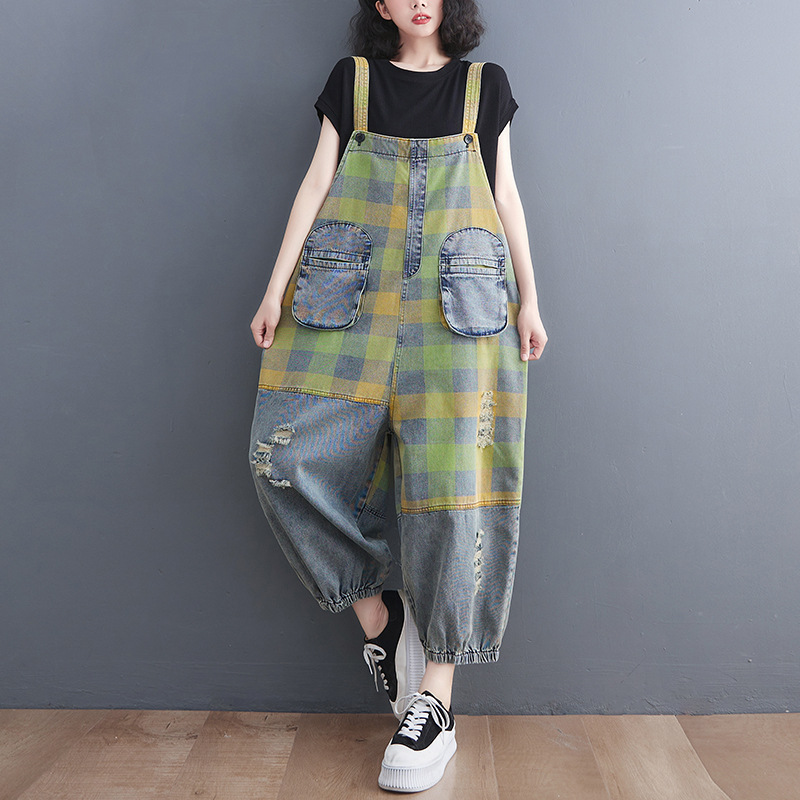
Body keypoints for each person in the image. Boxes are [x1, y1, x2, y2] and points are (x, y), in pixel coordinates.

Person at [248, 0, 547, 791]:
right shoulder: (353, 83)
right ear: (380, 5)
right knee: (282, 462)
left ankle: (436, 701)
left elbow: (506, 195)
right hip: (345, 296)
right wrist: (275, 289)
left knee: (455, 494)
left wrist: (531, 300)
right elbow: (317, 182)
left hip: (464, 304)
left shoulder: (485, 88)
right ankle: (381, 620)